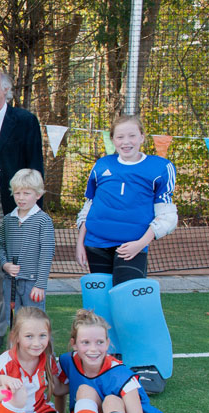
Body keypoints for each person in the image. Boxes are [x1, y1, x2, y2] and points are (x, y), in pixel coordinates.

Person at [0, 70, 45, 352]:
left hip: (14, 202)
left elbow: (35, 163)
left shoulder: (25, 121)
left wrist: (33, 208)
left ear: (5, 90)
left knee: (14, 266)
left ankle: (19, 323)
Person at [75, 115, 177, 285]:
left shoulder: (161, 167)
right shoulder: (101, 165)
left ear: (142, 137)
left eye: (132, 136)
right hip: (95, 244)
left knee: (127, 295)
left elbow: (167, 216)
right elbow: (89, 207)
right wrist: (80, 243)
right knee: (101, 297)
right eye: (120, 137)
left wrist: (141, 244)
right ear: (113, 140)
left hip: (132, 247)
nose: (126, 142)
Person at [0, 169, 54, 329]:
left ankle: (40, 346)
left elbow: (46, 253)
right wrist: (5, 264)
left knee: (34, 322)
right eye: (17, 193)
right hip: (10, 282)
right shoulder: (8, 220)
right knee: (13, 323)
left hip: (32, 283)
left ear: (38, 194)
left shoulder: (43, 221)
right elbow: (0, 245)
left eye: (26, 193)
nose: (21, 198)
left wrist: (40, 284)